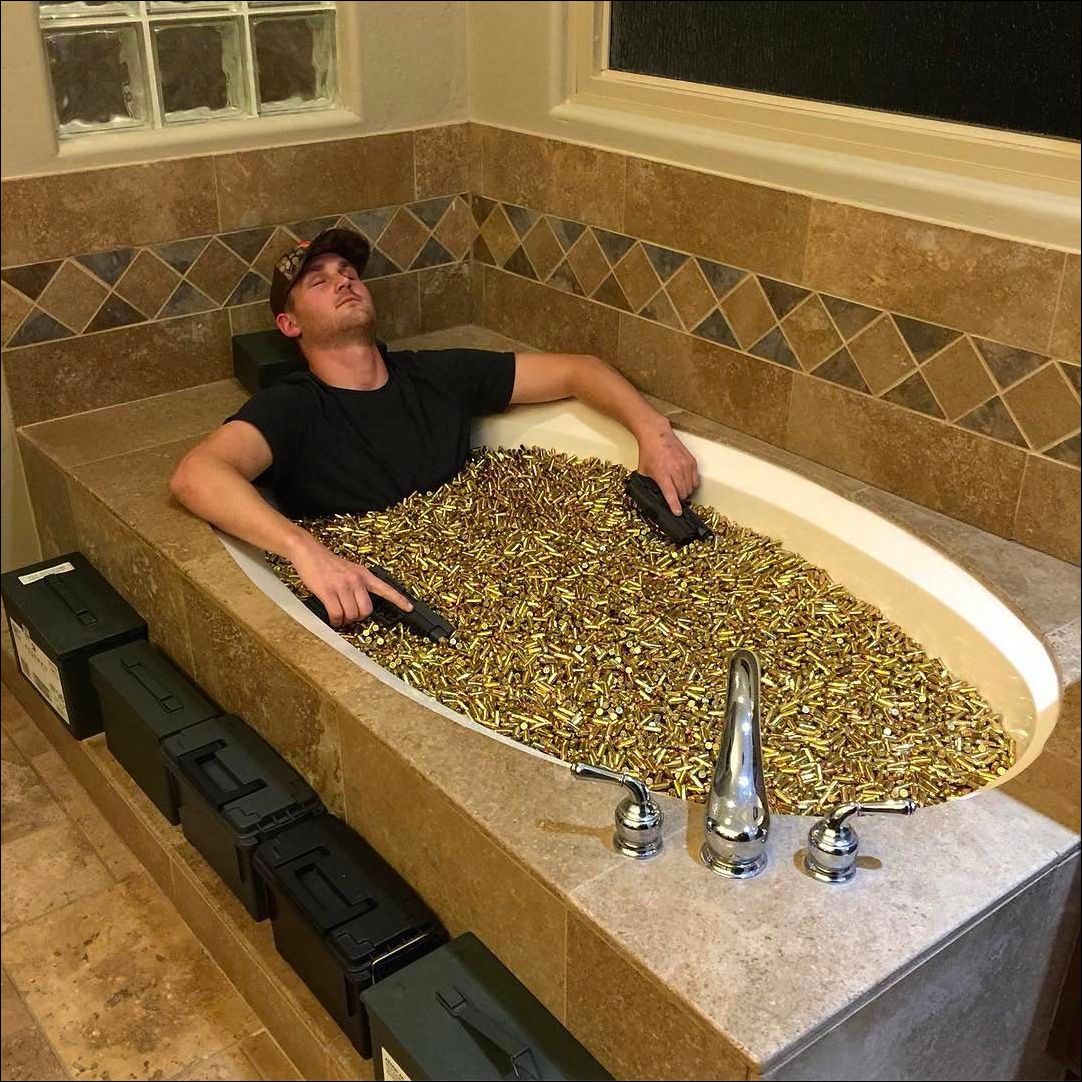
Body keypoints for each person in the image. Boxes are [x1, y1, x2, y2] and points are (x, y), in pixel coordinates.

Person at [170, 227, 700, 627]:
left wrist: (653, 432)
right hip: (402, 613)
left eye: (349, 274)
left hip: (516, 576)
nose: (344, 282)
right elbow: (197, 475)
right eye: (319, 281)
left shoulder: (436, 376)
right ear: (290, 324)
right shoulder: (294, 407)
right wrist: (306, 550)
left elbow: (577, 371)